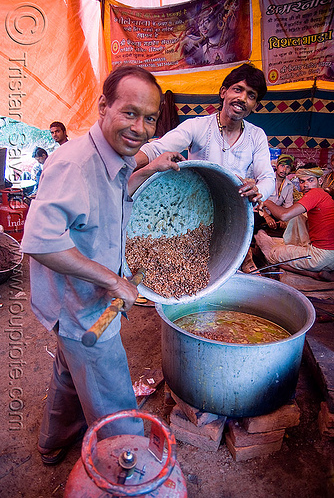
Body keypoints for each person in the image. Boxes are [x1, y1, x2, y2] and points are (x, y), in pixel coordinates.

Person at [21, 65, 181, 465]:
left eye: (149, 118)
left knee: (69, 375)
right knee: (112, 399)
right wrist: (113, 280)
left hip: (73, 310)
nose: (140, 128)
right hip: (83, 309)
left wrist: (147, 170)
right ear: (103, 106)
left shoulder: (112, 156)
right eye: (130, 113)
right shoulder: (74, 163)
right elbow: (40, 242)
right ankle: (128, 470)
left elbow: (103, 199)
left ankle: (52, 441)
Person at [135, 63, 275, 204]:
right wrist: (122, 166)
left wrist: (258, 191)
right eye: (238, 90)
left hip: (234, 211)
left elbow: (267, 178)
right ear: (223, 92)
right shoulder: (197, 126)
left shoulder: (257, 135)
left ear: (255, 106)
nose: (243, 99)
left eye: (251, 96)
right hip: (195, 206)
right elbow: (155, 150)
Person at [255, 163, 334, 281]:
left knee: (273, 254)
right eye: (302, 181)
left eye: (310, 180)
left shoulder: (315, 193)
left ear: (320, 180)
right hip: (330, 255)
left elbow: (284, 215)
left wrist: (265, 201)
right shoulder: (323, 195)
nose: (306, 185)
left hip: (322, 256)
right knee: (298, 216)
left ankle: (315, 274)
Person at [254, 154, 295, 235]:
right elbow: (258, 201)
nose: (284, 170)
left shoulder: (289, 185)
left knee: (289, 226)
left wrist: (284, 220)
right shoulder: (266, 179)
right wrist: (266, 217)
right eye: (282, 166)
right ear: (277, 166)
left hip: (275, 215)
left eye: (287, 167)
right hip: (260, 212)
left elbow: (288, 206)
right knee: (254, 222)